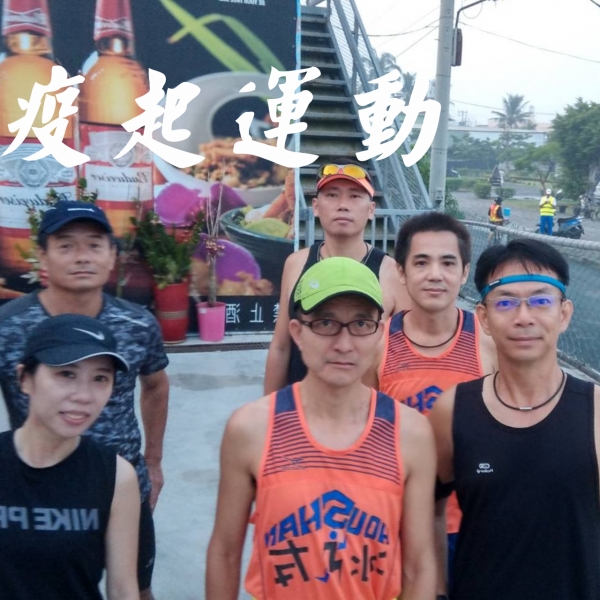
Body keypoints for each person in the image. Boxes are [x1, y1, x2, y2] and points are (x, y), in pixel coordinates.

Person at [206, 257, 436, 600]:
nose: (344, 344)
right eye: (326, 323)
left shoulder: (410, 435)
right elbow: (225, 551)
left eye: (361, 324)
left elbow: (418, 566)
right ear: (297, 332)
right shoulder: (252, 429)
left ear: (380, 332)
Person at [0, 201, 169, 600]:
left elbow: (156, 386)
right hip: (36, 487)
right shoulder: (9, 327)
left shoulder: (137, 324)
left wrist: (153, 462)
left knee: (136, 583)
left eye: (94, 245)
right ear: (42, 256)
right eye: (66, 245)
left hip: (120, 481)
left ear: (111, 256)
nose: (82, 257)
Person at [429, 238, 600, 600]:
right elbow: (430, 509)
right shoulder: (452, 410)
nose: (524, 317)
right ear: (484, 318)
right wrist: (438, 589)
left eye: (541, 301)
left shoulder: (596, 411)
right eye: (505, 302)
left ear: (564, 314)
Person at [365, 211, 497, 591]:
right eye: (421, 262)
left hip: (473, 525)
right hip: (397, 523)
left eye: (448, 263)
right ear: (402, 272)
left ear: (465, 272)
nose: (435, 274)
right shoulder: (376, 343)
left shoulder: (489, 343)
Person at [0, 314, 140, 600]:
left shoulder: (116, 476)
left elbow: (122, 589)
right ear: (25, 378)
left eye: (100, 378)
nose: (84, 396)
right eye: (66, 374)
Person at [263, 162, 410, 394]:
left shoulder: (392, 273)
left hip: (365, 409)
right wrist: (270, 407)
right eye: (332, 195)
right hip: (300, 405)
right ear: (315, 206)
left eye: (354, 196)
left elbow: (403, 360)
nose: (342, 205)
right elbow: (281, 346)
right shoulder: (296, 264)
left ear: (371, 209)